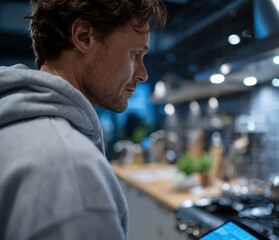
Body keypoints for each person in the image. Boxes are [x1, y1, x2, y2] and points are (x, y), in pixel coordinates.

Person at [0, 0, 167, 239]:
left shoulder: (13, 121)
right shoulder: (70, 169)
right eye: (135, 54)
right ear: (84, 36)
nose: (142, 74)